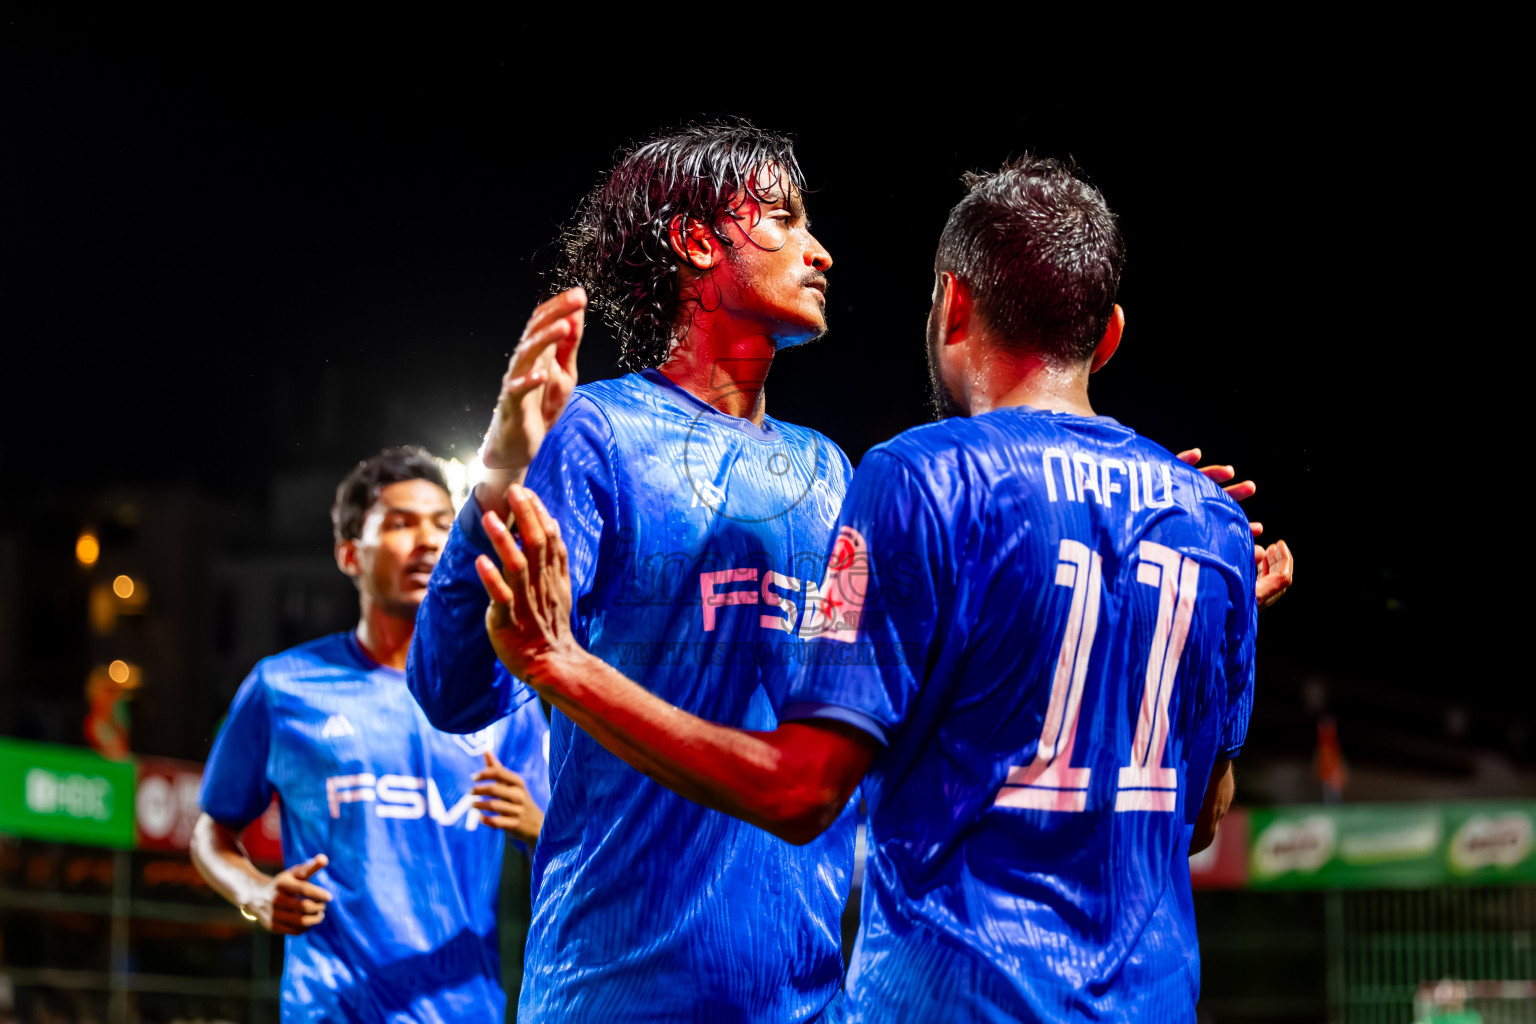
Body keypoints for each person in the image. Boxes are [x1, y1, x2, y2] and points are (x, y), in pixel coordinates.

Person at [471, 158, 1295, 1022]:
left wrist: (560, 665)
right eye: (786, 219)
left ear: (952, 303)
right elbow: (1203, 816)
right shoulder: (1209, 521)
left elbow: (802, 790)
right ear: (1110, 334)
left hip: (958, 1001)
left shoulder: (917, 475)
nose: (820, 252)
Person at [407, 122, 860, 1022]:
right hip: (614, 994)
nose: (820, 250)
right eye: (783, 219)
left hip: (805, 1002)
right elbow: (454, 691)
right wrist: (500, 475)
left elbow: (851, 734)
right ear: (698, 241)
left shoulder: (831, 472)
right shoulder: (600, 433)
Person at [191, 446, 550, 1023]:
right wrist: (256, 893)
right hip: (330, 1010)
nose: (428, 541)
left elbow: (570, 853)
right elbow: (211, 833)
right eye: (401, 524)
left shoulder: (500, 698)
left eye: (443, 524)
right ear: (349, 554)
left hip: (466, 1010)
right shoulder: (283, 687)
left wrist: (537, 826)